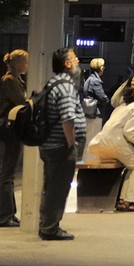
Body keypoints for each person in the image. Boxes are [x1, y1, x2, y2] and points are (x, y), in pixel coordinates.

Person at [38, 47, 85, 241]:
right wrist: (71, 144)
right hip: (60, 146)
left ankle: (47, 225)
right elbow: (67, 118)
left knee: (50, 186)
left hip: (49, 144)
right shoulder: (66, 87)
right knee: (57, 189)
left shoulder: (53, 83)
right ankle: (50, 228)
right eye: (75, 59)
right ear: (67, 64)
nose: (78, 61)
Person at [0, 49, 27, 229]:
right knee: (7, 172)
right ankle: (3, 215)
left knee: (9, 172)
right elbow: (21, 102)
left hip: (14, 129)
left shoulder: (14, 80)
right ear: (18, 63)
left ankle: (8, 213)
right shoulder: (10, 81)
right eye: (26, 62)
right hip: (11, 129)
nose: (28, 65)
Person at [82, 58, 110, 124]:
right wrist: (110, 104)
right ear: (101, 68)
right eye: (103, 66)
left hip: (88, 111)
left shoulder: (90, 79)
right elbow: (102, 97)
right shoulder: (95, 81)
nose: (104, 68)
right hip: (95, 112)